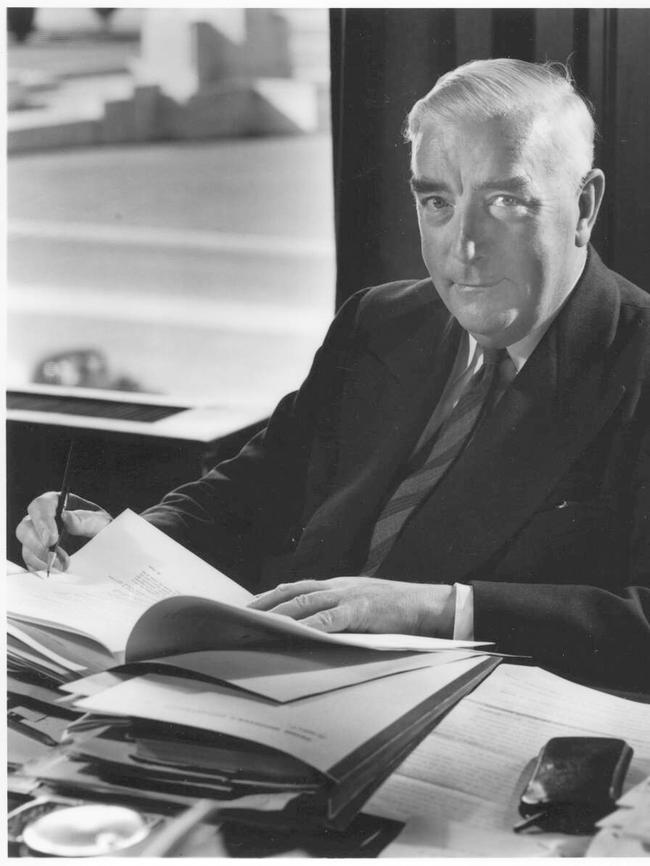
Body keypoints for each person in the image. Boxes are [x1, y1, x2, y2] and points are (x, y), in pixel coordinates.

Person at [17, 58, 650, 692]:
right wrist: (128, 538)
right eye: (437, 201)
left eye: (505, 201)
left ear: (585, 205)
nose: (464, 247)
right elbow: (253, 489)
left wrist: (442, 609)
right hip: (276, 686)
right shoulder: (379, 321)